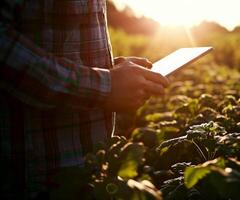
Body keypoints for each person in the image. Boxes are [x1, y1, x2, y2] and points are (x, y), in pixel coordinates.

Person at [0, 0, 169, 199]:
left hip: (89, 171)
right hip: (36, 178)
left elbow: (57, 43)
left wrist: (111, 72)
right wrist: (105, 86)